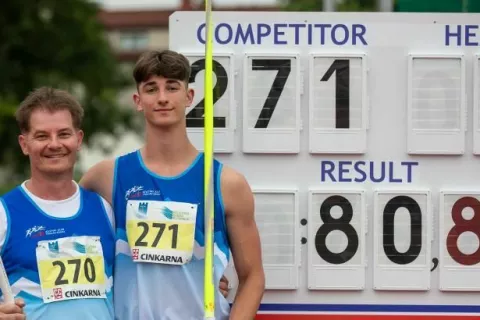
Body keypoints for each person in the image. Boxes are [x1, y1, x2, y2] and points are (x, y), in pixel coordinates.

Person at [79, 49, 265, 320]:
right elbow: (67, 246)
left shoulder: (226, 184)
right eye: (152, 89)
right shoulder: (105, 178)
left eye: (172, 87)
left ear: (189, 97)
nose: (163, 98)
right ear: (138, 100)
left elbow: (253, 277)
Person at [0, 87, 116, 319]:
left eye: (63, 134)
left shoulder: (105, 209)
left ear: (78, 139)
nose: (54, 144)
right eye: (42, 136)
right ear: (24, 144)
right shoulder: (4, 213)